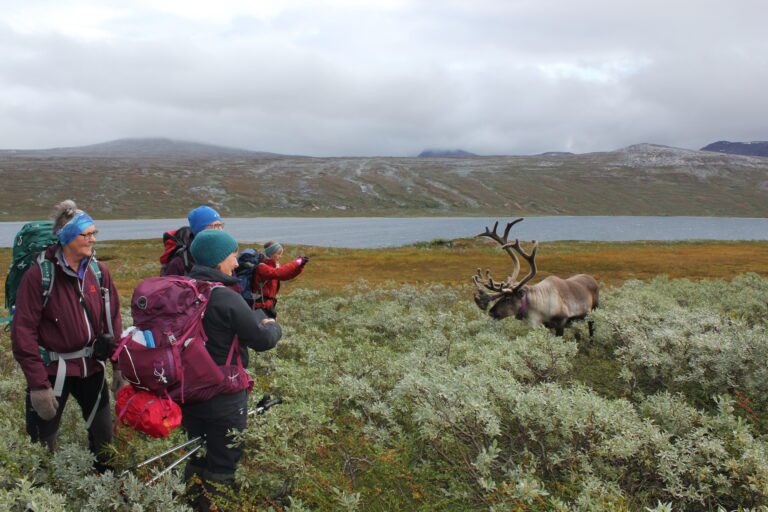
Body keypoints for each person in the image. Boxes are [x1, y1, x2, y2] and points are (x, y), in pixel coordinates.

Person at [11, 200, 123, 472]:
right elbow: (23, 331)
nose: (92, 239)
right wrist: (38, 386)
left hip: (92, 369)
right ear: (67, 237)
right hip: (52, 372)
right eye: (86, 234)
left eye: (94, 233)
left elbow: (114, 318)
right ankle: (40, 494)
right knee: (41, 445)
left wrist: (119, 364)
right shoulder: (40, 275)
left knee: (104, 442)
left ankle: (105, 489)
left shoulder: (99, 272)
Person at [183, 230, 282, 510]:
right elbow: (261, 340)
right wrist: (273, 326)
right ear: (217, 260)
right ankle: (215, 505)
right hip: (222, 393)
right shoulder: (224, 297)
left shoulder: (184, 289)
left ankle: (191, 502)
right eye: (231, 255)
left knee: (197, 453)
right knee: (224, 458)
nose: (236, 263)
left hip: (187, 390)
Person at [251, 241, 309, 318]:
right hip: (260, 307)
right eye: (278, 254)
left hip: (268, 306)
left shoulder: (273, 266)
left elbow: (286, 276)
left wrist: (299, 266)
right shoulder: (261, 267)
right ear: (270, 254)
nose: (280, 256)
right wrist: (296, 263)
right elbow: (280, 273)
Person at [162, 205, 224, 276]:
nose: (220, 230)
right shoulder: (180, 262)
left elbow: (233, 282)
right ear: (200, 230)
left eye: (221, 225)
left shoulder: (225, 254)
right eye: (215, 226)